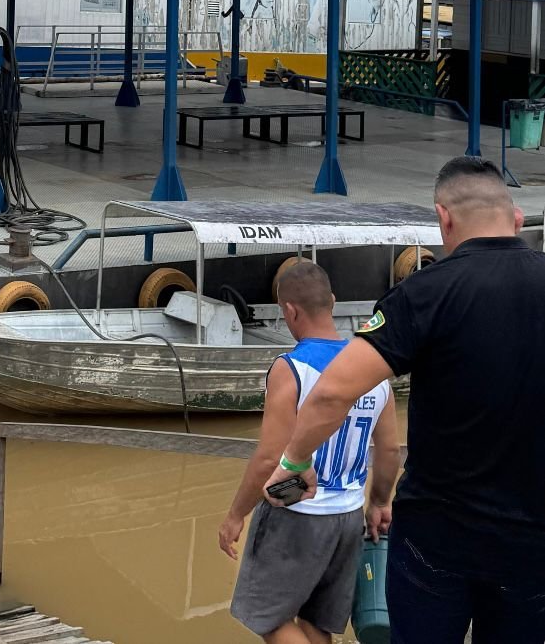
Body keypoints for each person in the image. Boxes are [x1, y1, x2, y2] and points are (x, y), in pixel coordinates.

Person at [263, 157, 545, 643]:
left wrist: (296, 461)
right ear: (515, 218)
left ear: (444, 217)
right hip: (533, 539)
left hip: (437, 537)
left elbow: (333, 390)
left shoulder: (424, 293)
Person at [221, 261, 400, 643]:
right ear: (332, 302)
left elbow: (270, 459)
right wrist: (380, 502)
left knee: (267, 618)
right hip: (349, 515)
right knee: (318, 621)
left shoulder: (291, 368)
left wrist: (236, 515)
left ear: (289, 311)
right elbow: (388, 449)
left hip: (297, 514)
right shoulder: (373, 370)